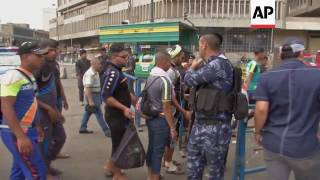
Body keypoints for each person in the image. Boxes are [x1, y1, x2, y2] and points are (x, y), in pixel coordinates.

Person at [254, 39, 320, 180]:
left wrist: (258, 131)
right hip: (305, 146)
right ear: (302, 53)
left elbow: (260, 109)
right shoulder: (316, 75)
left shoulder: (267, 77)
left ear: (280, 55)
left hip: (273, 143)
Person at [184, 34, 234, 179]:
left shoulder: (218, 64)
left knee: (214, 173)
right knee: (193, 170)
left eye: (199, 45)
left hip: (215, 128)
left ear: (204, 44)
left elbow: (189, 79)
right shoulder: (211, 65)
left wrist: (192, 68)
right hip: (201, 125)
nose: (198, 48)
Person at [0, 42, 48, 180]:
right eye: (39, 55)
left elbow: (31, 103)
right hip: (17, 132)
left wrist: (37, 125)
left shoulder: (29, 76)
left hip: (27, 130)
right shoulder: (13, 77)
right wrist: (20, 137)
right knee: (37, 173)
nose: (42, 59)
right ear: (26, 56)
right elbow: (6, 106)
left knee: (19, 172)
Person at [101, 43, 135, 180]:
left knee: (119, 143)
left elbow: (123, 90)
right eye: (124, 57)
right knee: (119, 144)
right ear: (114, 57)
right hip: (116, 115)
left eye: (127, 56)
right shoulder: (113, 72)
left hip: (120, 114)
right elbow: (106, 96)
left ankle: (110, 166)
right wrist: (124, 108)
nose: (127, 59)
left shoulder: (117, 70)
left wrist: (134, 101)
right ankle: (117, 174)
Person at [34, 40, 66, 176]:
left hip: (53, 108)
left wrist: (61, 102)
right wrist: (48, 109)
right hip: (42, 112)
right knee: (44, 142)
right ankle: (44, 171)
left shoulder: (53, 65)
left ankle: (47, 164)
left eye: (55, 50)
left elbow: (57, 84)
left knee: (60, 137)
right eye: (50, 50)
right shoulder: (37, 68)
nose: (54, 52)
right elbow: (31, 95)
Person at [145, 51, 178, 180]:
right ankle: (154, 177)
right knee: (158, 150)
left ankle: (151, 175)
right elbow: (166, 107)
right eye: (169, 62)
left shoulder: (151, 75)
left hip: (151, 117)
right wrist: (172, 128)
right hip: (161, 119)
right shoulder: (164, 80)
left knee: (152, 147)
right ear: (164, 62)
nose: (170, 64)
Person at [163, 45, 190, 175]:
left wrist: (183, 95)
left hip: (173, 109)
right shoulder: (171, 71)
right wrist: (181, 109)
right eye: (181, 55)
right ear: (174, 57)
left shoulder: (173, 69)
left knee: (170, 136)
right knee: (172, 136)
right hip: (171, 111)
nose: (183, 57)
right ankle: (168, 163)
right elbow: (168, 94)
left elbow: (174, 91)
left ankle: (167, 160)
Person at [79, 58, 111, 137]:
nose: (100, 65)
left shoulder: (95, 72)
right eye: (98, 64)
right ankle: (107, 131)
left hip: (95, 94)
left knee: (88, 112)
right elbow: (88, 88)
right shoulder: (90, 74)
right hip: (92, 95)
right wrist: (90, 101)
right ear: (93, 64)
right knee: (98, 113)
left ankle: (82, 128)